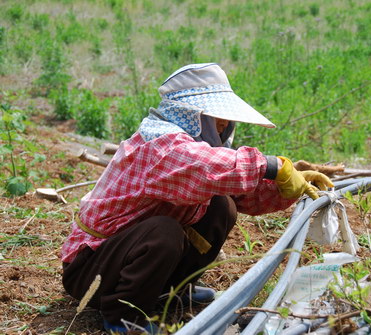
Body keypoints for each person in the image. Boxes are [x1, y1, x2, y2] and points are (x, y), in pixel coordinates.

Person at [60, 63, 333, 334]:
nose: (224, 124)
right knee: (163, 233)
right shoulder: (159, 145)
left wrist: (288, 184)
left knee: (221, 205)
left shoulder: (187, 149)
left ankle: (171, 290)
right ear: (191, 114)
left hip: (123, 257)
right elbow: (202, 165)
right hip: (90, 269)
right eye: (215, 116)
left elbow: (241, 192)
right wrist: (272, 165)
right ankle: (123, 316)